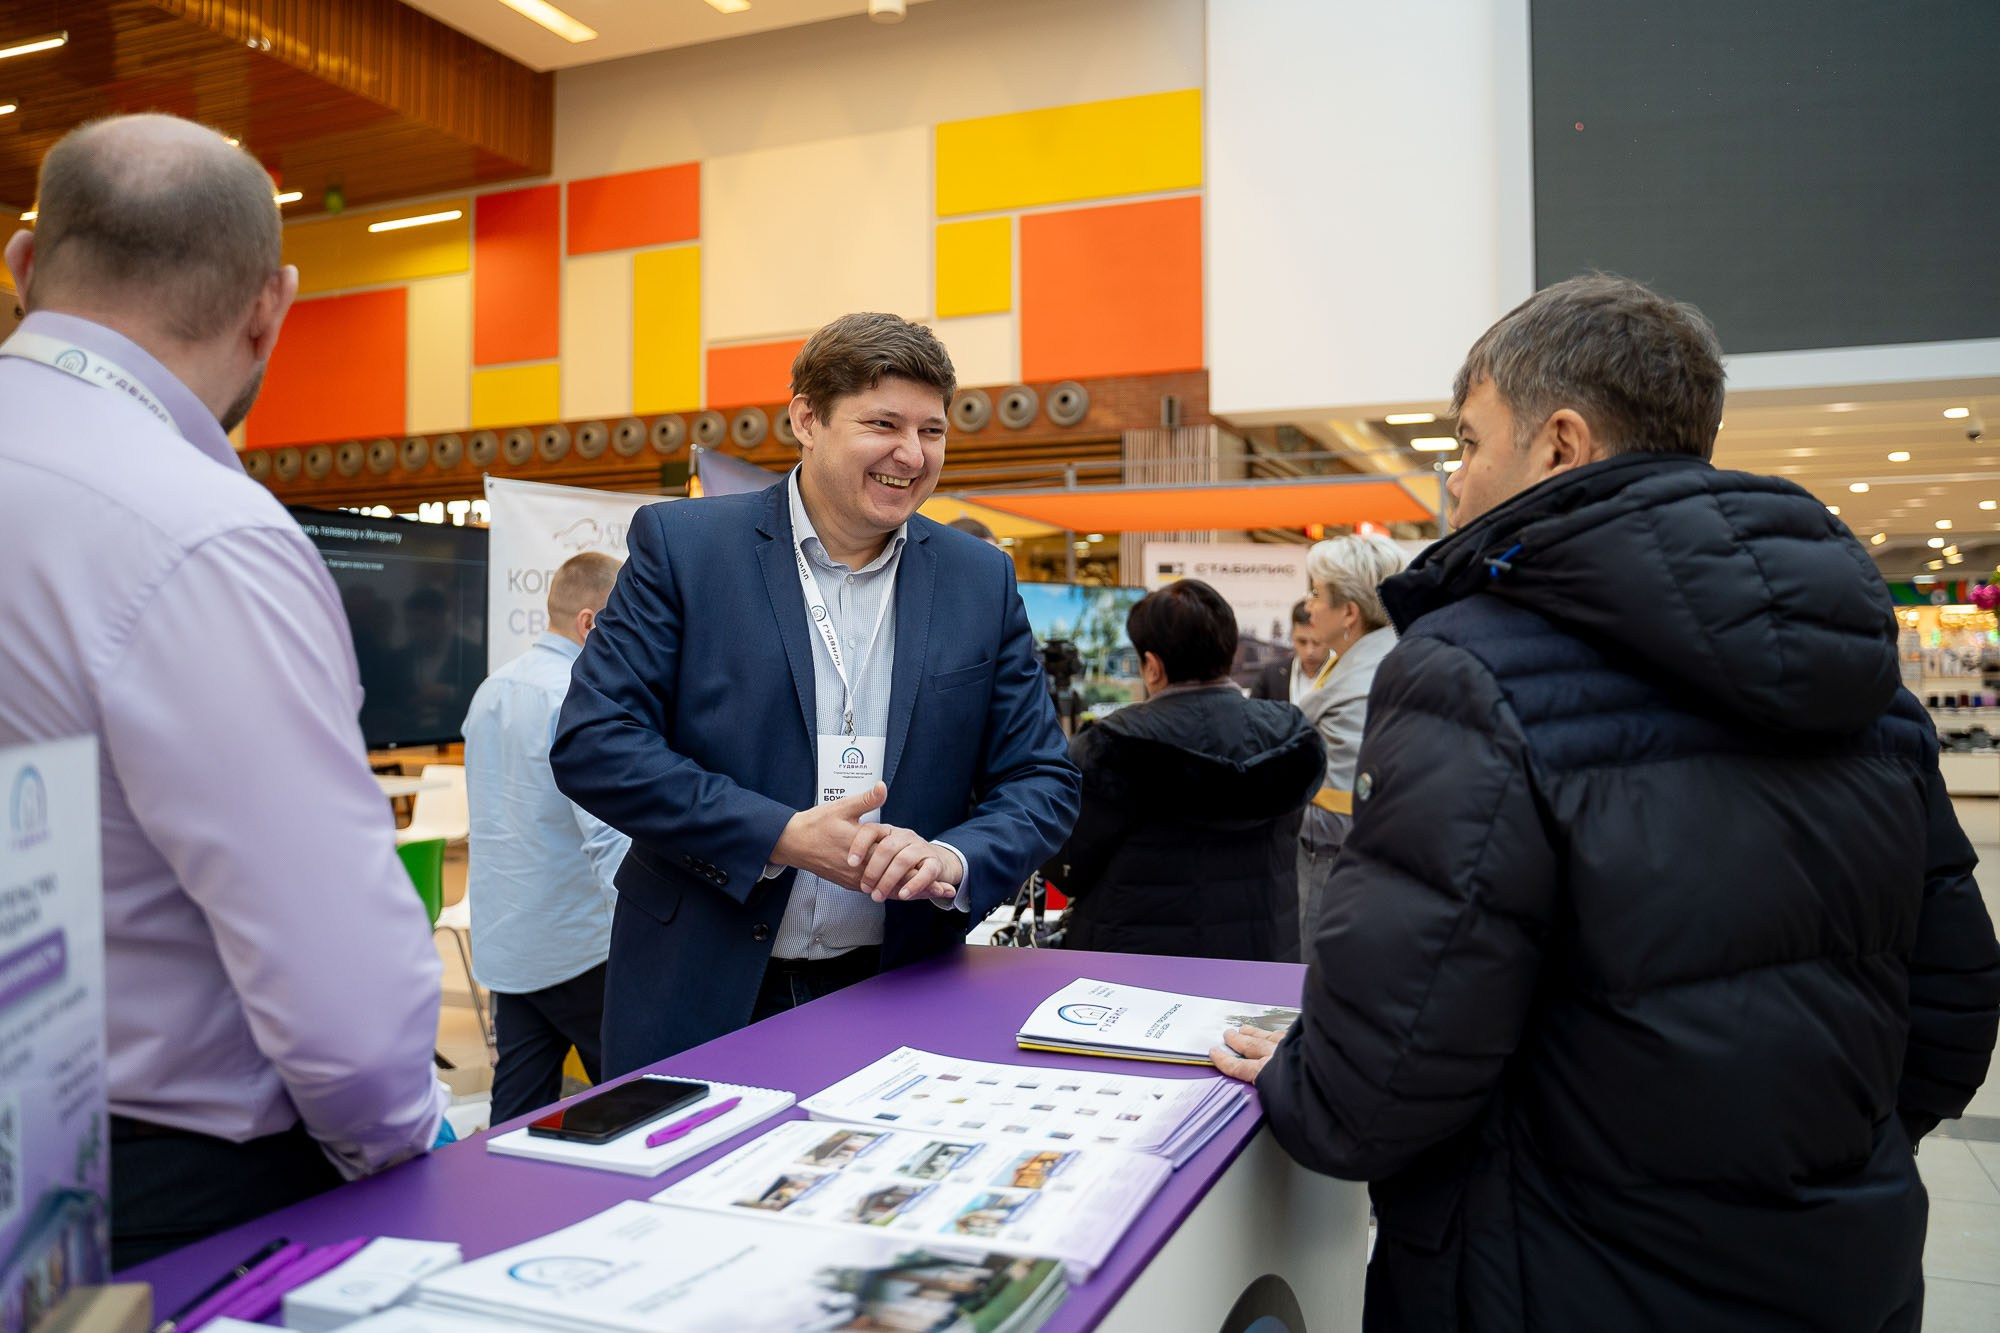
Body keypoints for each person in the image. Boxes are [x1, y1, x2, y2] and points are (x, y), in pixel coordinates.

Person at [1211, 274, 2000, 1332]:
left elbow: (1380, 1083)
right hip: (1837, 1272)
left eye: (1466, 440)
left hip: (1545, 1276)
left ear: (1560, 444)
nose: (1452, 483)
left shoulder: (1467, 671)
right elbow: (1949, 1017)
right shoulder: (1858, 669)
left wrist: (1308, 1075)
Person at [0, 114, 446, 1267]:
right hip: (163, 1186)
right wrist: (406, 1161)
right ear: (272, 304)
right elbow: (342, 1008)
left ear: (20, 266)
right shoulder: (197, 532)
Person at [552, 312, 1080, 1075]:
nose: (911, 453)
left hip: (902, 991)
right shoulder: (685, 550)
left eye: (931, 431)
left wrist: (952, 858)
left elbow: (1042, 777)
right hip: (701, 989)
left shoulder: (978, 579)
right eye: (883, 423)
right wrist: (778, 833)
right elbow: (596, 743)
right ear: (806, 417)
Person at [1044, 580, 1321, 961]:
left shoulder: (1111, 745)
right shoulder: (1289, 734)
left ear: (1153, 666)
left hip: (1134, 970)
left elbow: (1066, 869)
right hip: (1260, 963)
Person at [461, 552, 631, 1125]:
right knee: (633, 1100)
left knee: (516, 1112)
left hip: (510, 941)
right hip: (578, 944)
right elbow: (606, 834)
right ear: (589, 624)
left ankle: (498, 1212)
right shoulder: (575, 697)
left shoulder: (491, 689)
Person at [1293, 535, 1408, 953]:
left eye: (1317, 593)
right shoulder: (1362, 660)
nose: (1308, 605)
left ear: (1349, 613)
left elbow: (1339, 814)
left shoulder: (1362, 682)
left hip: (1331, 869)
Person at [1246, 599, 1330, 705]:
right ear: (1292, 636)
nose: (1309, 651)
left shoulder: (1342, 675)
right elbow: (1252, 715)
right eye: (1302, 642)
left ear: (1329, 638)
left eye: (1317, 642)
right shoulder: (1270, 676)